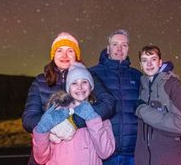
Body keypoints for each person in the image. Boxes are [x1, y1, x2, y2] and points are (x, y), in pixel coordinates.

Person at [22, 32, 115, 165]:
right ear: (53, 54)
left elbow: (107, 104)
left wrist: (73, 121)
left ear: (76, 55)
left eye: (70, 51)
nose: (64, 56)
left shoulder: (87, 77)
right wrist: (51, 125)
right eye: (60, 50)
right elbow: (28, 119)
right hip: (48, 150)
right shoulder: (40, 81)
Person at [32, 62, 115, 165]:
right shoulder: (57, 112)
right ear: (68, 88)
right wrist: (41, 130)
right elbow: (41, 158)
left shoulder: (100, 114)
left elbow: (105, 152)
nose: (79, 87)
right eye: (74, 83)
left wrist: (92, 118)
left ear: (91, 86)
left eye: (84, 82)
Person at [88, 29, 142, 165]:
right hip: (104, 152)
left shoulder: (138, 76)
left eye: (124, 45)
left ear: (128, 48)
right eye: (115, 44)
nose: (119, 49)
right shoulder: (92, 74)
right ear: (108, 48)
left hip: (133, 152)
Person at [134, 45, 181, 165]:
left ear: (160, 62)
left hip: (172, 158)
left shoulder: (172, 85)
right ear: (140, 64)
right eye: (145, 60)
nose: (149, 64)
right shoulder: (143, 87)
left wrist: (143, 111)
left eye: (153, 59)